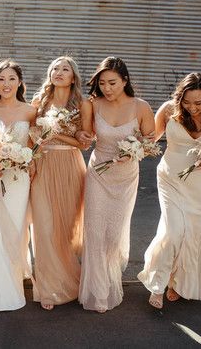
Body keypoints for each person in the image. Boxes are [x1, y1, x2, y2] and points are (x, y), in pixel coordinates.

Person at [137, 72, 201, 309]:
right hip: (170, 177)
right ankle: (157, 284)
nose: (192, 108)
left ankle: (177, 282)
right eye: (187, 102)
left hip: (200, 182)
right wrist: (130, 148)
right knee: (173, 231)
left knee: (193, 234)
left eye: (198, 103)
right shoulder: (169, 110)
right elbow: (151, 139)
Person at [77, 57, 155, 313]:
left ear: (125, 80)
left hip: (125, 177)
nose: (107, 88)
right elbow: (86, 137)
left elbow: (150, 141)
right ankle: (98, 293)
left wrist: (134, 151)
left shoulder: (141, 107)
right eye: (102, 83)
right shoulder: (93, 104)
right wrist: (80, 134)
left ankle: (111, 281)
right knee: (96, 232)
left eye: (112, 82)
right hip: (98, 174)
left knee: (113, 235)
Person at [29, 56, 88, 311]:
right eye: (54, 68)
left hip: (70, 167)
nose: (59, 72)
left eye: (65, 69)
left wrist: (58, 133)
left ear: (73, 77)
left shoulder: (83, 105)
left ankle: (66, 283)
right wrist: (30, 161)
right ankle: (47, 287)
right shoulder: (38, 102)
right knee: (43, 227)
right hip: (42, 164)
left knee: (64, 228)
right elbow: (32, 135)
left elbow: (85, 142)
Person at [0, 59, 36, 311]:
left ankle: (14, 282)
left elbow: (33, 148)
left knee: (15, 228)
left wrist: (25, 161)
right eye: (1, 79)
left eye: (11, 78)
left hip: (18, 179)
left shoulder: (30, 111)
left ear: (20, 82)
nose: (6, 84)